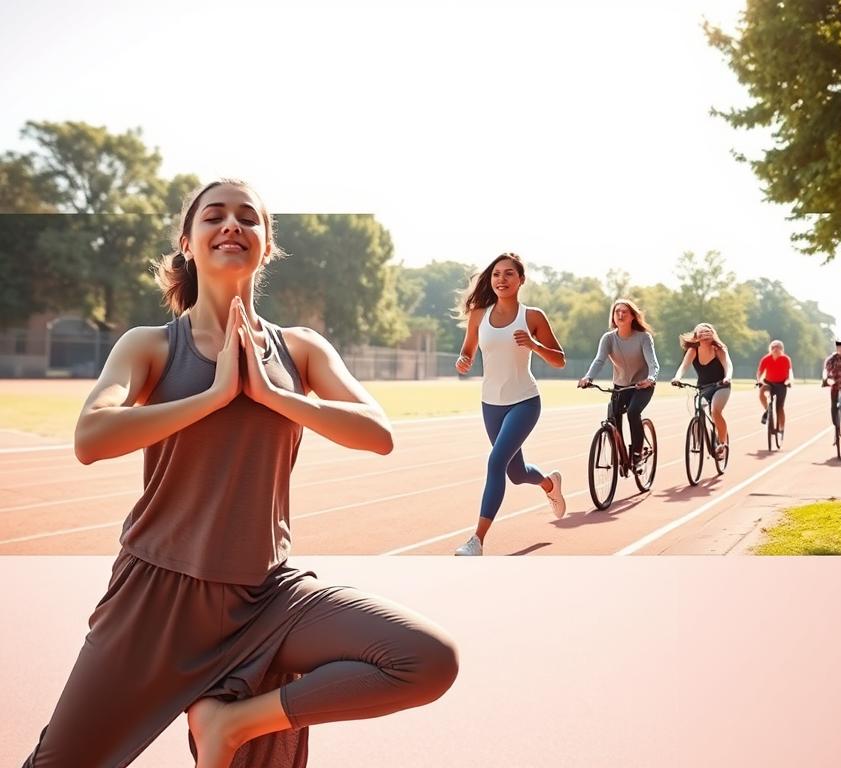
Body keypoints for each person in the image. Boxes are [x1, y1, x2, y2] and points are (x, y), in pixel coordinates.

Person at [22, 180, 458, 768]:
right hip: (156, 602)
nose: (232, 225)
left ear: (267, 245)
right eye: (214, 216)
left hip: (266, 597)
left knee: (427, 659)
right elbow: (90, 439)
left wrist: (273, 394)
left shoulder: (300, 349)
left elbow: (377, 434)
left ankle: (230, 722)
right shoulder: (150, 345)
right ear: (188, 241)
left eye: (248, 218)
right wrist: (216, 393)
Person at [454, 252, 566, 556]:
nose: (501, 280)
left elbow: (559, 360)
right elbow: (468, 350)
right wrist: (463, 361)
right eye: (496, 274)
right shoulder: (479, 314)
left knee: (495, 462)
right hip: (491, 403)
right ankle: (548, 483)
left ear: (521, 280)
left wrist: (534, 344)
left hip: (524, 402)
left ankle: (476, 540)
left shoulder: (532, 317)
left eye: (508, 274)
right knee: (515, 473)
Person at [578, 298, 660, 465]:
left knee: (632, 412)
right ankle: (621, 454)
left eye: (625, 312)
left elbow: (653, 364)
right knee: (613, 418)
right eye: (617, 312)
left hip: (641, 386)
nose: (620, 315)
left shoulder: (643, 338)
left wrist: (650, 379)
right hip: (620, 387)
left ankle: (637, 452)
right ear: (613, 316)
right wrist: (588, 377)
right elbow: (599, 360)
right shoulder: (608, 338)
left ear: (632, 317)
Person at [671, 323, 733, 459]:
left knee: (714, 411)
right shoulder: (693, 350)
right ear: (696, 336)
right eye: (701, 333)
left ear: (712, 335)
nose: (704, 335)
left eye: (707, 332)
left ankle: (722, 443)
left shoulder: (719, 349)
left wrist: (728, 377)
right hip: (703, 387)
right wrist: (677, 377)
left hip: (721, 386)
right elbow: (684, 366)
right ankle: (698, 440)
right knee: (698, 410)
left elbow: (727, 364)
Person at [755, 339, 793, 441]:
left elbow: (790, 373)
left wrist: (788, 381)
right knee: (762, 391)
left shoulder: (786, 359)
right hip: (769, 383)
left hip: (781, 383)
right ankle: (767, 410)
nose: (775, 349)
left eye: (778, 347)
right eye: (773, 347)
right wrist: (759, 381)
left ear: (782, 349)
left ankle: (781, 428)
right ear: (770, 349)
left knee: (779, 407)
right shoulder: (766, 359)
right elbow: (759, 372)